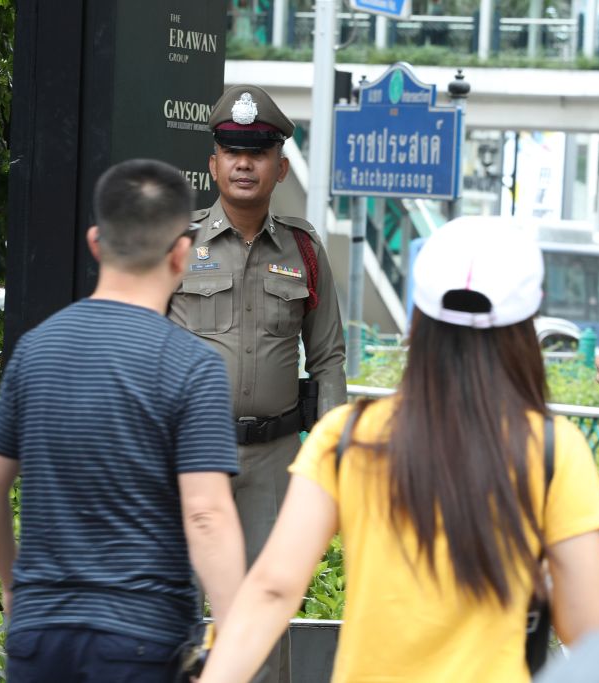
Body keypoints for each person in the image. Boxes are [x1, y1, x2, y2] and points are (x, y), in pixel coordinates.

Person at [197, 217, 599, 683]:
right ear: (529, 318)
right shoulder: (555, 450)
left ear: (418, 317)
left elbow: (273, 590)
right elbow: (588, 629)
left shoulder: (348, 437)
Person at [0, 159, 246, 683]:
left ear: (95, 243)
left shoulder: (36, 350)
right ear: (182, 253)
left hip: (41, 636)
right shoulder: (192, 366)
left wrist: (14, 586)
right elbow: (206, 513)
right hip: (143, 639)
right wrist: (234, 645)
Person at [168, 83, 346, 683]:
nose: (244, 164)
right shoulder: (179, 243)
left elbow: (328, 359)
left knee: (263, 619)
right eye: (233, 151)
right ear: (213, 163)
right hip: (191, 457)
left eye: (258, 152)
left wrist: (330, 466)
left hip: (274, 461)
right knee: (178, 616)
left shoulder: (304, 250)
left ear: (281, 167)